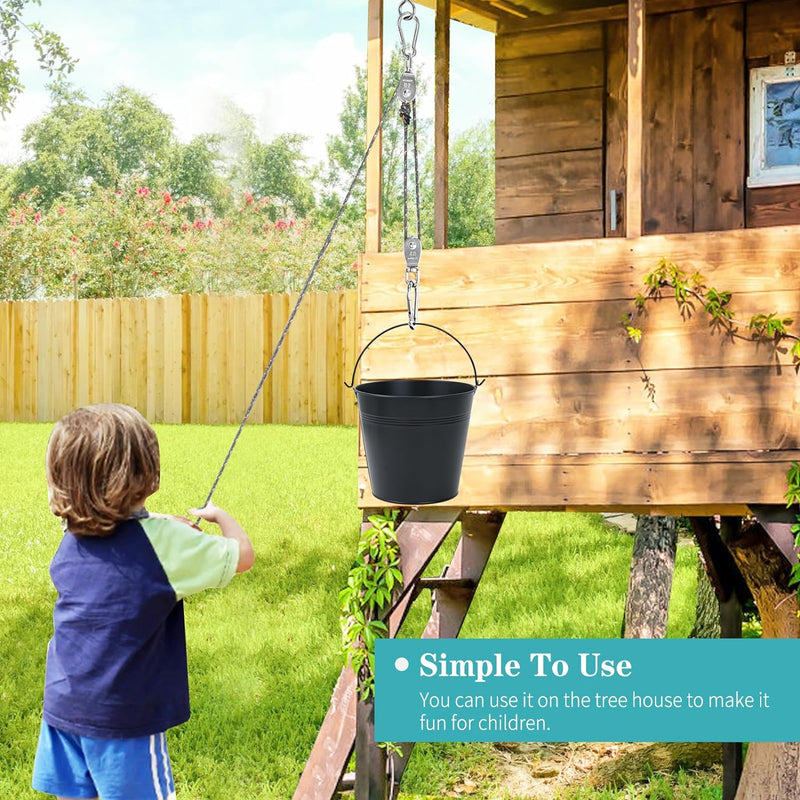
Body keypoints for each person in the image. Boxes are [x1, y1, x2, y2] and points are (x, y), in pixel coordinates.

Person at [31, 403, 255, 800]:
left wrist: (162, 523)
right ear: (144, 473)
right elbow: (242, 557)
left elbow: (124, 532)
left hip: (63, 708)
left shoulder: (73, 532)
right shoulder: (164, 546)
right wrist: (221, 517)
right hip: (124, 719)